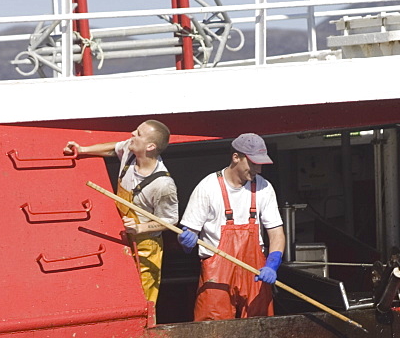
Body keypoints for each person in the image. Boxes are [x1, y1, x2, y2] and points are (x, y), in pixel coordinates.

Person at [64, 120, 178, 304]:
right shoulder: (131, 151)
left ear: (150, 146)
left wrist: (141, 228)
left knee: (142, 297)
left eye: (139, 133)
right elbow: (113, 149)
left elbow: (170, 220)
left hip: (145, 246)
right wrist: (83, 150)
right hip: (121, 231)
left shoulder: (163, 185)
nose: (132, 133)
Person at [178, 133, 286, 321]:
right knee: (212, 333)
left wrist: (272, 264)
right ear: (236, 157)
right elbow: (189, 235)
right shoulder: (207, 187)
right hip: (217, 274)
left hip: (254, 273)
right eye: (253, 163)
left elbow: (276, 233)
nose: (257, 170)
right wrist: (186, 241)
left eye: (260, 164)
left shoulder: (264, 188)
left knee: (259, 328)